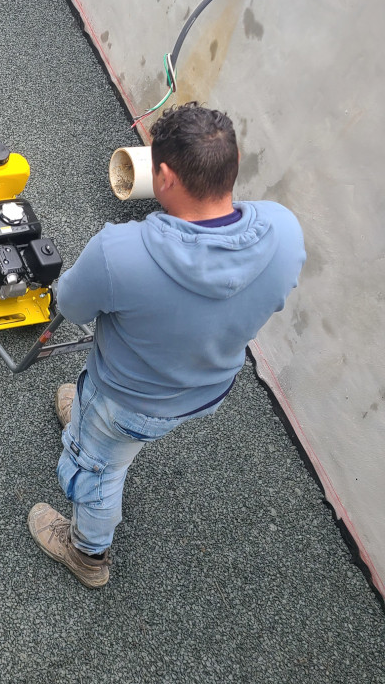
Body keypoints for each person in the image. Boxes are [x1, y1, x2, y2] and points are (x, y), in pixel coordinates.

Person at [28, 102, 306, 588]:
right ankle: (96, 429)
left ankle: (87, 553)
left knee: (97, 470)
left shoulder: (121, 252)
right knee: (117, 433)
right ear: (232, 167)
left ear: (167, 178)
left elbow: (70, 306)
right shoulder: (284, 232)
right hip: (203, 391)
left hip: (126, 400)